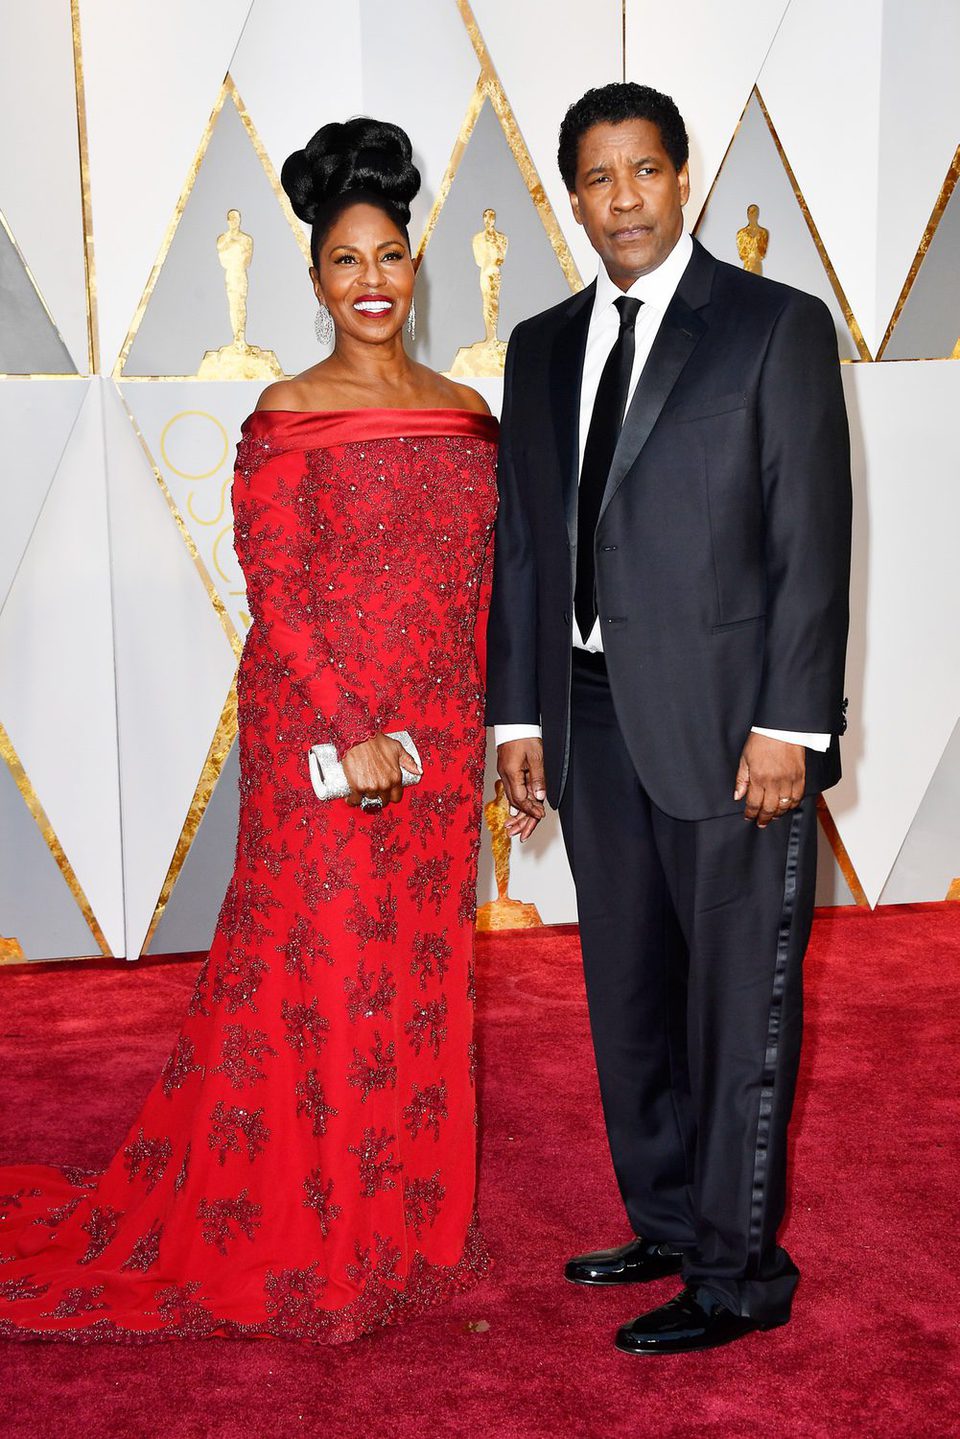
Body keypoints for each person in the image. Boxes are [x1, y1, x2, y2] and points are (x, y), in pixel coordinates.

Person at [0, 117, 497, 1343]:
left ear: (415, 264)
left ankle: (397, 1214)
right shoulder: (288, 409)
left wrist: (478, 736)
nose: (372, 280)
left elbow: (483, 585)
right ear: (314, 276)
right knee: (318, 976)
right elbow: (276, 589)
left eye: (390, 255)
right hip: (322, 742)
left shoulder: (469, 412)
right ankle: (308, 1221)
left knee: (416, 981)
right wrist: (354, 729)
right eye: (346, 261)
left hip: (438, 742)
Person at [486, 83, 851, 1356]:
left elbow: (812, 541)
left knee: (738, 1001)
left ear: (681, 178)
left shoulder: (771, 327)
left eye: (644, 170)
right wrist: (515, 719)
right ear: (573, 196)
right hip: (586, 724)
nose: (622, 197)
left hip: (732, 727)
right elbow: (526, 548)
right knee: (627, 991)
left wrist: (791, 727)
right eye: (597, 177)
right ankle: (670, 1218)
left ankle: (741, 1272)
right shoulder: (538, 347)